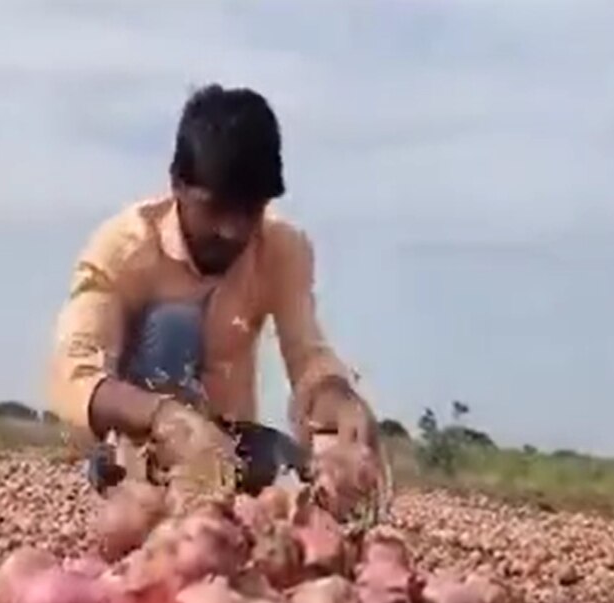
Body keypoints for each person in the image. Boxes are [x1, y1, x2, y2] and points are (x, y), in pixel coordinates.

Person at [48, 83, 379, 495]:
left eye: (249, 211)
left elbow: (306, 353)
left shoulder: (281, 248)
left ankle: (216, 502)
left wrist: (339, 400)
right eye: (216, 209)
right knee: (174, 324)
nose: (232, 230)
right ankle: (145, 484)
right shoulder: (124, 248)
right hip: (134, 439)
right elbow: (74, 375)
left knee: (308, 479)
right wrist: (164, 417)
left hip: (227, 443)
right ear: (177, 184)